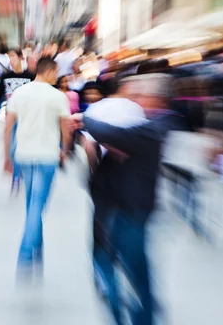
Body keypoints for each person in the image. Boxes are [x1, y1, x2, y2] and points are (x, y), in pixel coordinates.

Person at [79, 74, 186, 325]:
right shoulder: (145, 125)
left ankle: (142, 315)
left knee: (136, 270)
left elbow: (109, 132)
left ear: (156, 99)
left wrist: (84, 117)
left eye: (139, 97)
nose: (134, 102)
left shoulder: (154, 128)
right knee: (128, 265)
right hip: (123, 206)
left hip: (132, 209)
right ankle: (137, 312)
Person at [4, 58, 71, 275]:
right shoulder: (58, 96)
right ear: (49, 71)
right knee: (37, 205)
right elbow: (66, 129)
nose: (57, 76)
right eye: (56, 72)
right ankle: (25, 251)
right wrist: (65, 151)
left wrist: (7, 156)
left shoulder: (20, 93)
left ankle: (37, 248)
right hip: (47, 156)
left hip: (23, 155)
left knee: (32, 204)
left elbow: (7, 128)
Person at [0, 54, 38, 193]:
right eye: (9, 60)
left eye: (13, 59)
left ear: (20, 59)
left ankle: (26, 172)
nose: (11, 62)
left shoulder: (30, 76)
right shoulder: (6, 77)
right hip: (11, 116)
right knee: (13, 147)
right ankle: (16, 175)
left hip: (28, 116)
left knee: (27, 146)